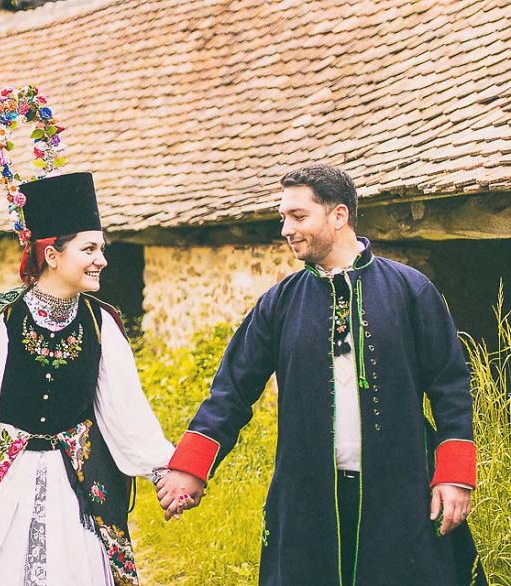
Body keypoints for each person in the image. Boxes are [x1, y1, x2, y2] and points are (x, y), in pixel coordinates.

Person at [157, 164, 484, 585]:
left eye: (298, 216)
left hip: (401, 491)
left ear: (339, 216)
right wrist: (192, 467)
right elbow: (232, 391)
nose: (285, 229)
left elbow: (451, 386)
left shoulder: (410, 290)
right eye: (283, 217)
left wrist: (455, 476)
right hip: (308, 497)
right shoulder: (279, 303)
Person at [0, 86, 174, 586]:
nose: (102, 259)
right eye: (89, 248)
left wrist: (166, 472)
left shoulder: (102, 324)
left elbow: (124, 409)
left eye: (102, 248)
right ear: (51, 254)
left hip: (75, 483)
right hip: (5, 479)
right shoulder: (3, 319)